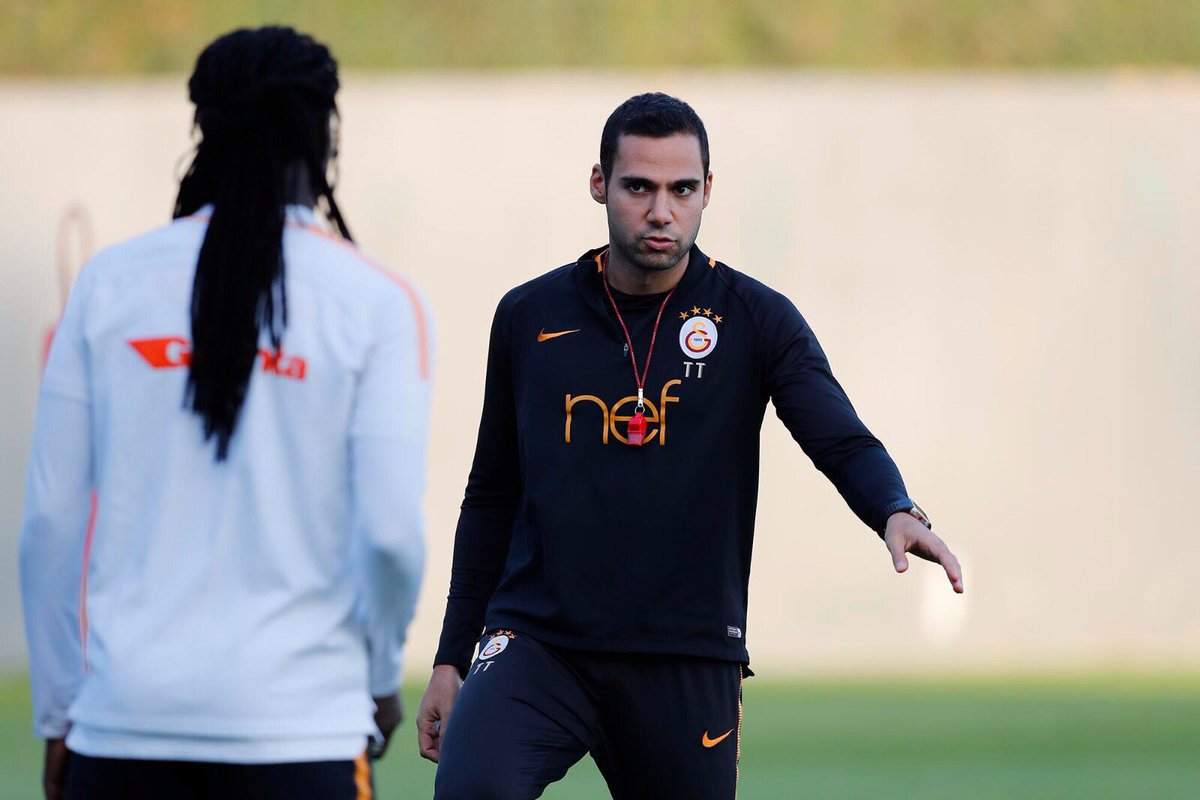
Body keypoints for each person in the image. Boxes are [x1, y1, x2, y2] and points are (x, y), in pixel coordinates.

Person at [416, 92, 962, 799]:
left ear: (708, 190)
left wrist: (892, 505)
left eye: (681, 189)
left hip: (684, 654)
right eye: (638, 187)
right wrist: (452, 657)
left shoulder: (756, 318)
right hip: (538, 644)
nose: (660, 211)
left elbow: (838, 434)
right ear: (599, 185)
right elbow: (492, 494)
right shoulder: (530, 315)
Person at [19, 26, 432, 800]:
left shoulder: (108, 286)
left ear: (203, 130)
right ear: (326, 138)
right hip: (304, 737)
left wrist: (60, 714)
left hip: (120, 734)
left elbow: (49, 522)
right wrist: (378, 679)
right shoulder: (378, 303)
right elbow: (389, 535)